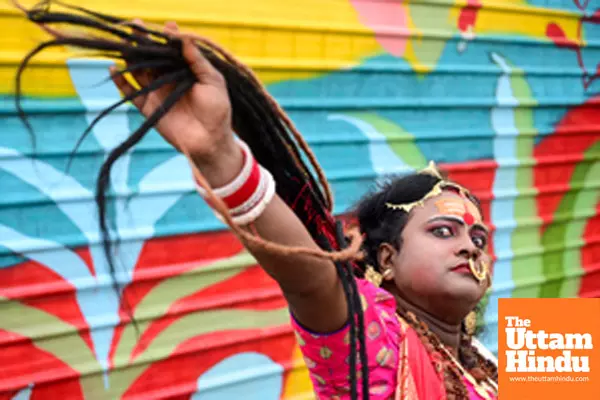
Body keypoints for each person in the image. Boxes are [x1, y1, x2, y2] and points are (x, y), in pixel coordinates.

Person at [15, 3, 499, 398]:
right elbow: (310, 278)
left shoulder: (498, 363)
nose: (470, 247)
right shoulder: (376, 343)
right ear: (388, 260)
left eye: (478, 237)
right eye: (443, 231)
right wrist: (219, 156)